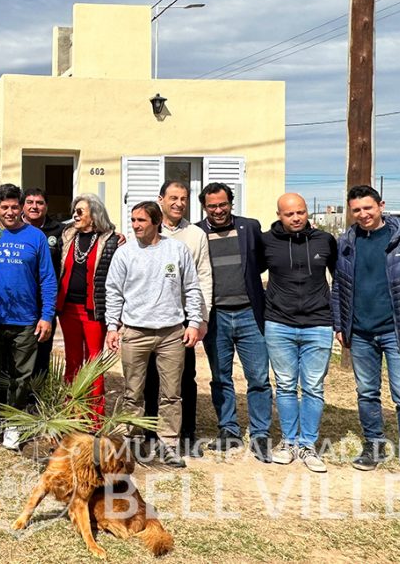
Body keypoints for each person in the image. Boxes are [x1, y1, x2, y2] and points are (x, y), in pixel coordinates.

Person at [332, 185, 400, 492]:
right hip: (361, 332)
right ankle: (374, 445)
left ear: (381, 205)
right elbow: (339, 286)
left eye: (368, 207)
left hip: (399, 332)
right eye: (356, 210)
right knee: (366, 392)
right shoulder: (347, 242)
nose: (363, 214)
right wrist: (340, 324)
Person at [104, 201, 203, 469]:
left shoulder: (176, 250)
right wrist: (112, 326)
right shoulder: (125, 253)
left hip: (172, 332)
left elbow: (192, 288)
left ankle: (169, 443)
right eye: (133, 220)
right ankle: (133, 441)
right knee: (132, 392)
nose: (135, 225)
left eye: (141, 221)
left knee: (171, 393)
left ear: (156, 221)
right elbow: (113, 291)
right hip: (135, 332)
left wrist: (193, 322)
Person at [0, 184, 57, 453]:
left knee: (22, 377)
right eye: (4, 207)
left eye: (14, 207)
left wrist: (46, 316)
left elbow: (47, 279)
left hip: (25, 321)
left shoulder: (36, 238)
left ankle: (13, 423)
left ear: (21, 207)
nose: (10, 212)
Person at [196, 182, 273, 463]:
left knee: (259, 378)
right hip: (215, 316)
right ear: (204, 207)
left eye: (223, 204)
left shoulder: (250, 227)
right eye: (212, 206)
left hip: (250, 314)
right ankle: (228, 430)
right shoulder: (197, 233)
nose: (218, 210)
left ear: (231, 202)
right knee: (220, 377)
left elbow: (262, 262)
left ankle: (261, 433)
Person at [261, 193, 337, 472]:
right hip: (279, 324)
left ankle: (308, 444)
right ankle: (288, 441)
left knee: (314, 387)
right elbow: (247, 271)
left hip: (318, 324)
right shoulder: (266, 241)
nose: (296, 218)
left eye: (301, 212)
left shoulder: (324, 240)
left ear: (307, 213)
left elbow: (339, 279)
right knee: (285, 385)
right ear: (279, 215)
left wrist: (337, 319)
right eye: (290, 214)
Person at [143, 180, 212, 456]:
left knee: (185, 378)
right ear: (161, 199)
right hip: (149, 316)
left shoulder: (196, 235)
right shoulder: (145, 230)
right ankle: (148, 431)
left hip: (182, 318)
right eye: (173, 198)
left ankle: (186, 432)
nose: (178, 203)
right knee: (149, 377)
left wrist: (200, 319)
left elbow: (204, 277)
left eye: (183, 199)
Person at [55, 194, 119, 418]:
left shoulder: (110, 240)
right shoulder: (67, 235)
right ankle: (71, 413)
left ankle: (94, 417)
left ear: (94, 214)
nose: (75, 215)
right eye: (74, 210)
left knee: (93, 363)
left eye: (80, 211)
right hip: (68, 308)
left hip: (93, 310)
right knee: (72, 361)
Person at [23, 188, 64, 380]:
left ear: (46, 207)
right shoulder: (12, 229)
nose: (34, 206)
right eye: (30, 202)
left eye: (39, 203)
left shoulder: (60, 231)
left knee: (41, 352)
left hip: (46, 302)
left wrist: (113, 235)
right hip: (21, 301)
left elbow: (89, 229)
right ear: (23, 206)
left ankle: (37, 399)